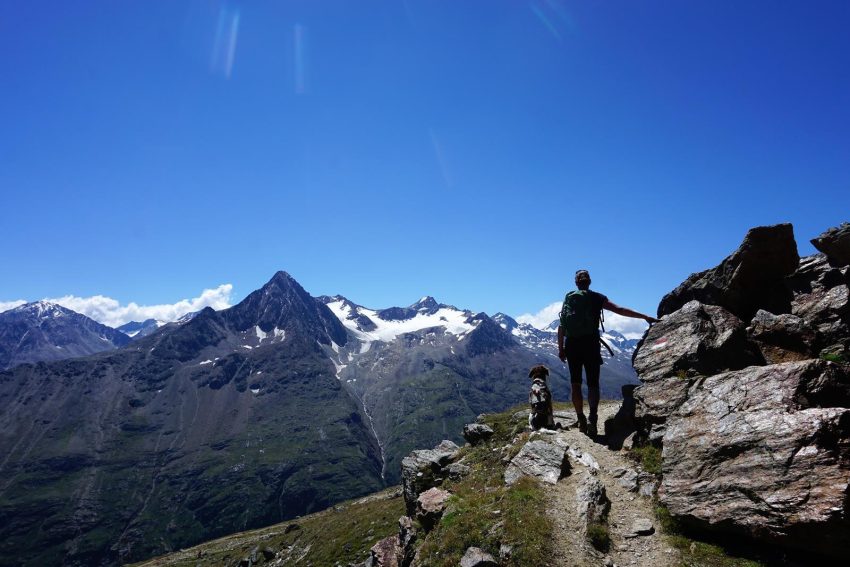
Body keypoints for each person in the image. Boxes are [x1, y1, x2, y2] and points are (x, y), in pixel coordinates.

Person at [557, 269, 657, 436]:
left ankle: (581, 418)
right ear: (589, 282)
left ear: (576, 283)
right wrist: (644, 316)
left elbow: (561, 326)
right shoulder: (597, 297)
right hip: (591, 344)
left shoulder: (569, 298)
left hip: (572, 345)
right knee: (593, 383)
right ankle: (593, 418)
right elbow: (620, 309)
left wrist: (561, 349)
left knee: (575, 383)